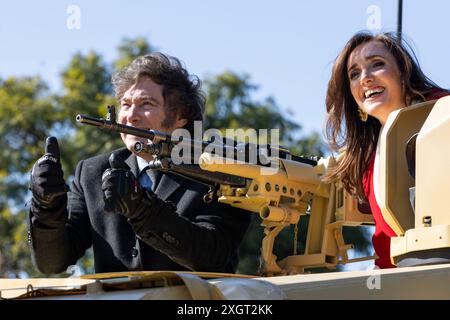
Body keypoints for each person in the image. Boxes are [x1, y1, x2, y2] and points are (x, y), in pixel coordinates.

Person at [28, 53, 251, 274]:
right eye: (125, 105)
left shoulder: (221, 170)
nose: (131, 116)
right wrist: (47, 207)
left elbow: (213, 256)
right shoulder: (92, 172)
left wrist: (142, 209)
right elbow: (51, 263)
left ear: (180, 116)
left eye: (146, 104)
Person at [324, 31, 449, 268]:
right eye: (354, 74)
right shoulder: (366, 160)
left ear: (404, 73)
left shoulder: (443, 113)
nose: (365, 78)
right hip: (400, 281)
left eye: (377, 65)